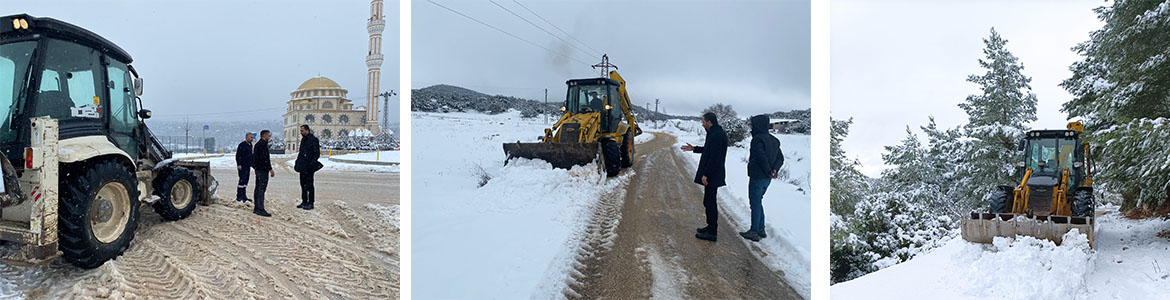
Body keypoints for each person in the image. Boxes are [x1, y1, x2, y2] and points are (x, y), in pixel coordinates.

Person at [681, 112, 728, 242]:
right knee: (708, 201)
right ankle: (710, 227)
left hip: (713, 174)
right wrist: (694, 148)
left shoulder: (717, 135)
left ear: (709, 122)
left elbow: (715, 158)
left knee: (710, 202)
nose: (702, 124)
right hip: (713, 173)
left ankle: (712, 232)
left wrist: (706, 174)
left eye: (703, 121)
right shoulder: (714, 133)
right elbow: (709, 149)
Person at [740, 114, 784, 242]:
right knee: (758, 201)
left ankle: (754, 231)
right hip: (767, 178)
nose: (750, 126)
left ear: (757, 125)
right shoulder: (774, 140)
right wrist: (774, 170)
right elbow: (780, 158)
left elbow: (761, 157)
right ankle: (761, 229)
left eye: (752, 124)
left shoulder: (757, 139)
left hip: (758, 176)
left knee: (754, 202)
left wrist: (769, 171)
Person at [294, 125, 323, 210]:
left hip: (309, 167)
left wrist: (311, 164)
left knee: (310, 185)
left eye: (302, 131)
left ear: (307, 131)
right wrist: (297, 163)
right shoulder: (303, 140)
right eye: (300, 131)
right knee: (303, 185)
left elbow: (316, 154)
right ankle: (304, 201)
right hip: (302, 166)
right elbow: (301, 153)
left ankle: (311, 203)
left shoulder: (313, 140)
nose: (301, 132)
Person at [252, 130, 275, 217]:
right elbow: (265, 158)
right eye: (268, 136)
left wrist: (255, 166)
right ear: (264, 136)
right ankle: (260, 209)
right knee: (261, 189)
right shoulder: (263, 145)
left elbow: (254, 157)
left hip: (258, 169)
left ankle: (256, 207)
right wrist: (270, 169)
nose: (269, 138)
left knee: (257, 188)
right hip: (263, 170)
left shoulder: (257, 144)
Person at [235, 132, 254, 203]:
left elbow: (250, 156)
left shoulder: (250, 145)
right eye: (251, 137)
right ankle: (239, 196)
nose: (252, 139)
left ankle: (244, 196)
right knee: (242, 181)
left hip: (248, 166)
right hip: (242, 166)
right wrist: (239, 164)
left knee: (246, 181)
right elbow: (238, 155)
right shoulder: (242, 145)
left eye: (252, 137)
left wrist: (252, 164)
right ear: (247, 137)